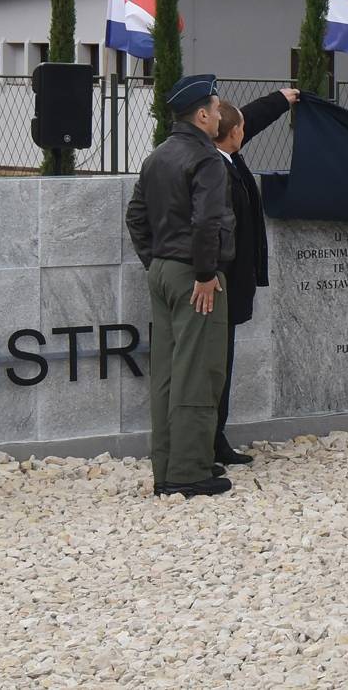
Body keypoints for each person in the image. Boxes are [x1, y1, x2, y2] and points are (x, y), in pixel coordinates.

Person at [125, 74, 235, 498]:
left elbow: (136, 216)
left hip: (163, 273)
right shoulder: (205, 158)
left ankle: (166, 468)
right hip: (195, 276)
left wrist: (155, 261)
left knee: (168, 374)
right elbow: (208, 220)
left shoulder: (158, 156)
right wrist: (205, 274)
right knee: (198, 371)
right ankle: (189, 472)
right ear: (203, 114)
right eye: (216, 106)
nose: (221, 113)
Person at [209, 87, 300, 466]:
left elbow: (244, 119)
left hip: (228, 283)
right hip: (215, 284)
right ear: (232, 135)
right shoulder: (214, 168)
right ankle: (207, 443)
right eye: (240, 129)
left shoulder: (225, 154)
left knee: (222, 365)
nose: (244, 133)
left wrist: (281, 99)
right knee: (212, 368)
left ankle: (216, 439)